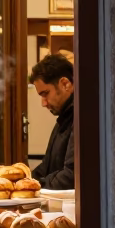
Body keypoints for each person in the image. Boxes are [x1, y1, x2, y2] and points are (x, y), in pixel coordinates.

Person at [30, 52, 75, 191]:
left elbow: (72, 175)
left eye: (45, 93)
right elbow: (46, 166)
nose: (43, 103)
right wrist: (22, 183)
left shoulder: (80, 121)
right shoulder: (63, 120)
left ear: (65, 84)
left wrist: (37, 188)